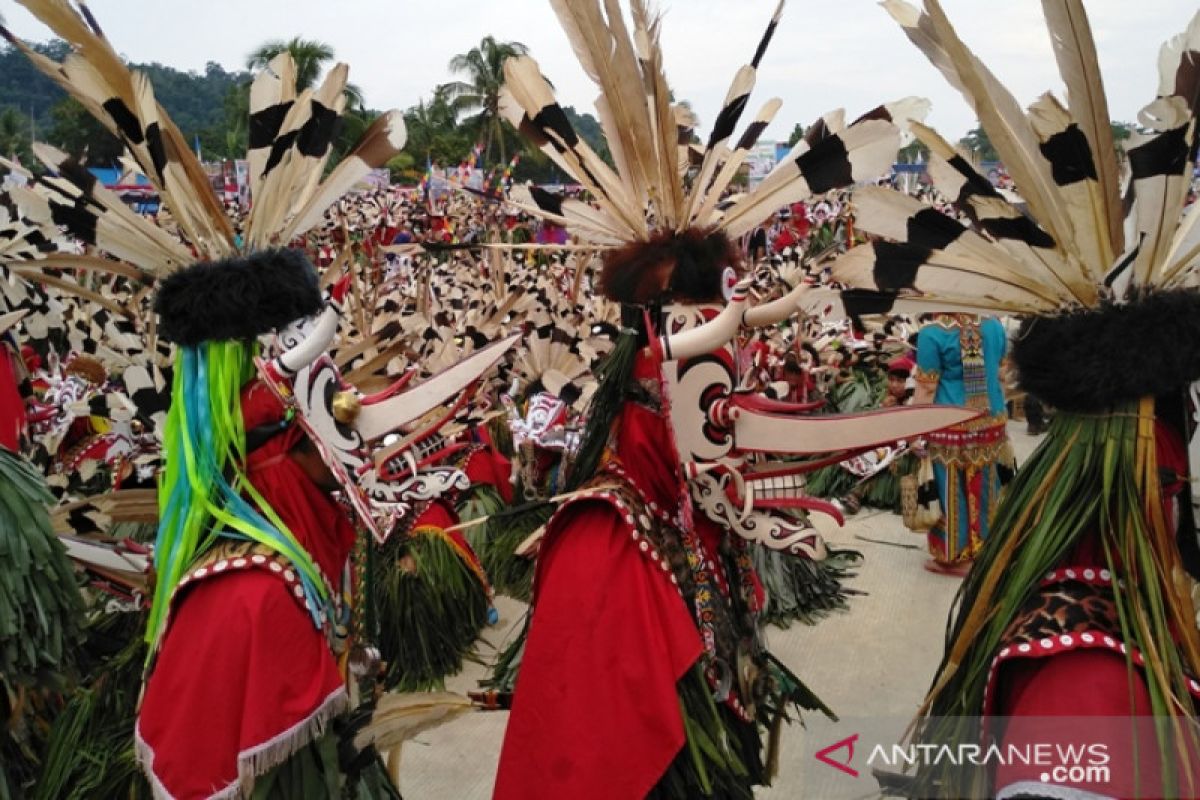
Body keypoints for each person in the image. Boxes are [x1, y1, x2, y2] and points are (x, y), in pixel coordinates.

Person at [912, 313, 1013, 574]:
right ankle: (987, 550)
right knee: (986, 486)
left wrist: (914, 431)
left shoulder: (932, 333)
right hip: (990, 418)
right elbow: (1002, 373)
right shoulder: (993, 325)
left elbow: (926, 389)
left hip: (950, 422)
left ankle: (956, 557)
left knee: (950, 489)